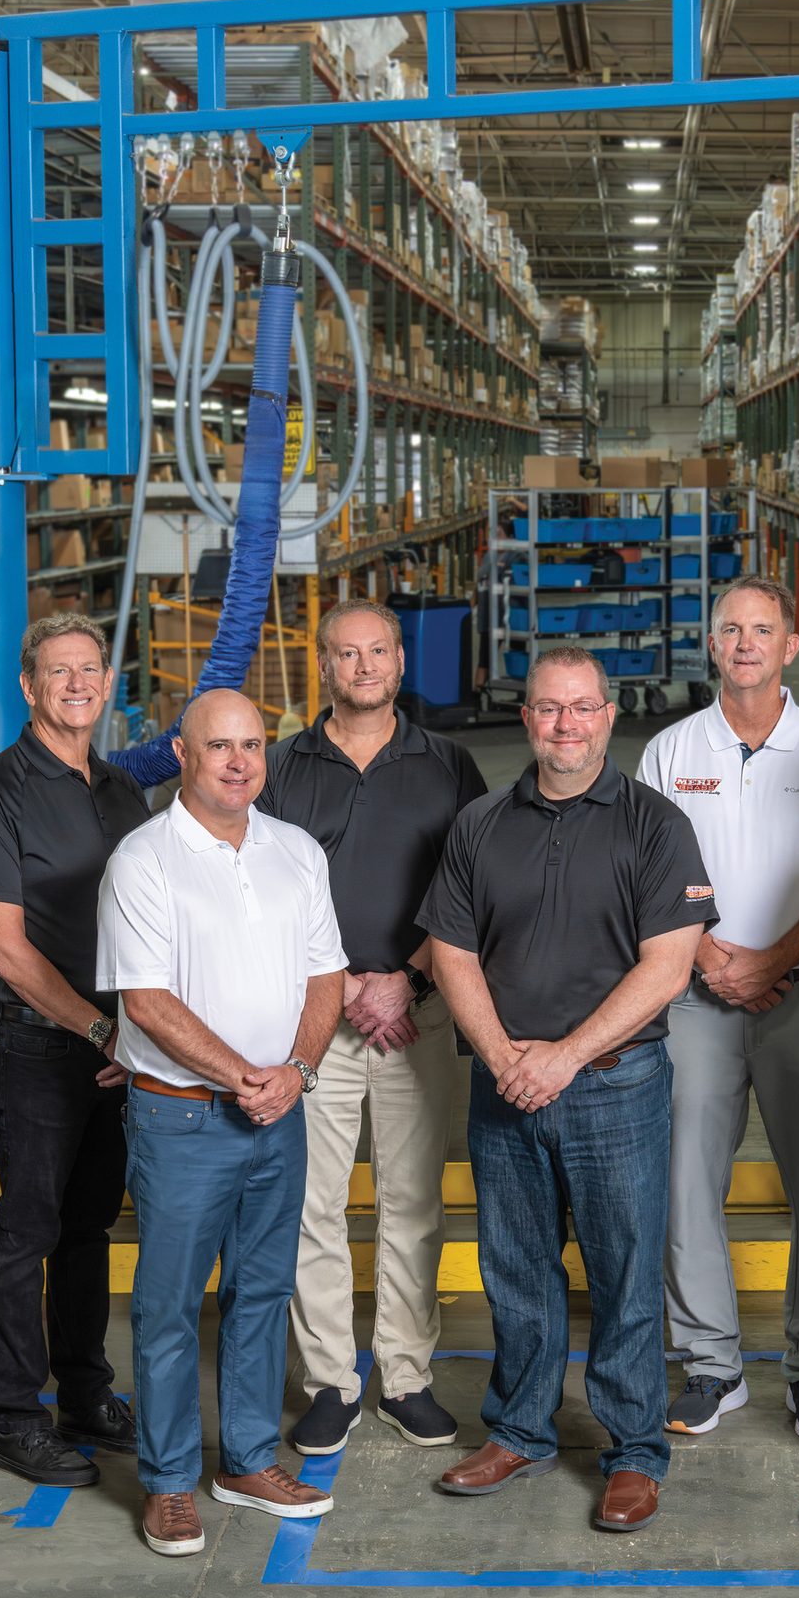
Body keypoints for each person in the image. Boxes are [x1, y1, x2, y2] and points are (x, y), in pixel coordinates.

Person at [417, 647, 716, 1534]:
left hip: (614, 1090)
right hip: (506, 1085)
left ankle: (632, 1452)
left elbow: (669, 967)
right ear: (527, 718)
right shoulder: (478, 824)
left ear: (610, 717)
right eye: (550, 710)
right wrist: (505, 1054)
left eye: (582, 710)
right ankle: (518, 1429)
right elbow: (452, 952)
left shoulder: (656, 824)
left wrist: (564, 1057)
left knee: (624, 1275)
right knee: (515, 1268)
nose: (565, 726)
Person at [96, 689, 350, 1558]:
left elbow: (327, 976)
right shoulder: (144, 860)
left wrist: (298, 1074)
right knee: (169, 1307)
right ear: (180, 754)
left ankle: (243, 1460)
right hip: (183, 1121)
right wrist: (250, 1078)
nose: (238, 762)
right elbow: (147, 1001)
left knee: (261, 1294)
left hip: (277, 1114)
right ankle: (168, 1483)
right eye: (219, 747)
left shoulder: (295, 851)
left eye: (252, 745)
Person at [636, 577, 799, 1441]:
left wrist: (772, 961)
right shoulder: (668, 751)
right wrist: (705, 955)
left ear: (790, 646)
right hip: (693, 998)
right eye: (730, 629)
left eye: (761, 629)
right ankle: (710, 1364)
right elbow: (648, 872)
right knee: (685, 1179)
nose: (744, 643)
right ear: (712, 643)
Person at [257, 600, 486, 1458]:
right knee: (311, 1207)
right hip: (312, 1022)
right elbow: (263, 892)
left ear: (399, 662)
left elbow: (468, 890)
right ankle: (328, 1383)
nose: (363, 667)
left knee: (412, 1203)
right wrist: (341, 984)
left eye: (378, 651)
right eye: (345, 654)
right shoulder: (281, 768)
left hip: (415, 1018)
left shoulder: (449, 765)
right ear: (323, 665)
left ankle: (406, 1376)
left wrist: (403, 977)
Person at [0, 613, 152, 1489]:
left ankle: (83, 1392)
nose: (77, 683)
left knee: (87, 1228)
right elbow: (3, 948)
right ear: (28, 688)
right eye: (58, 671)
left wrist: (134, 1030)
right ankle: (17, 1417)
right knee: (25, 1232)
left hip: (117, 1048)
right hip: (43, 1047)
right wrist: (97, 1026)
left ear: (109, 682)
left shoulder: (119, 790)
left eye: (91, 668)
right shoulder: (0, 792)